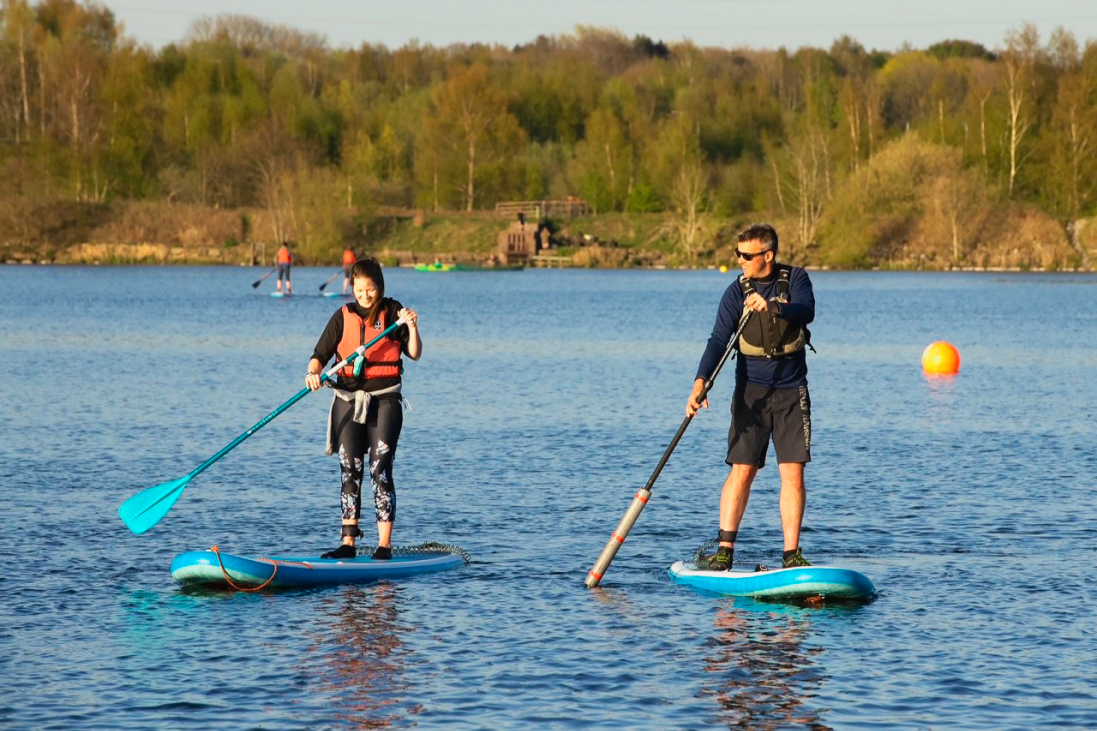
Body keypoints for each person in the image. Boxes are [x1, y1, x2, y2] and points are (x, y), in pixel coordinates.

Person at [686, 223, 816, 571]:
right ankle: (725, 550)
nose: (740, 260)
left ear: (767, 255)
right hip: (750, 393)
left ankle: (792, 556)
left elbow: (806, 311)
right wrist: (700, 382)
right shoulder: (735, 292)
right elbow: (717, 341)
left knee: (793, 473)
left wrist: (774, 306)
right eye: (738, 254)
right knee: (742, 470)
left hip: (791, 391)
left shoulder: (796, 279)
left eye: (747, 255)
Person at [305, 257, 422, 559]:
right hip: (347, 401)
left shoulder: (394, 313)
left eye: (370, 290)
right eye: (359, 290)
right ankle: (348, 544)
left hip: (385, 400)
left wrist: (412, 326)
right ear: (352, 289)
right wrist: (313, 373)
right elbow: (319, 356)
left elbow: (415, 353)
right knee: (349, 468)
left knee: (379, 468)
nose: (365, 295)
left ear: (380, 288)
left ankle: (384, 546)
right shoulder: (342, 317)